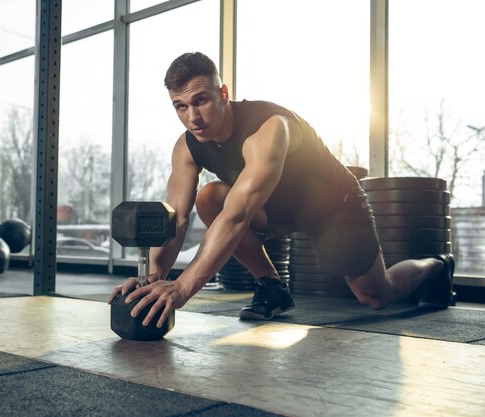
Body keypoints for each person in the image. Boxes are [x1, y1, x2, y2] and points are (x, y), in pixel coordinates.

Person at [108, 52, 454, 328]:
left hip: (334, 207)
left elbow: (238, 215)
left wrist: (183, 288)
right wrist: (151, 280)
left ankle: (437, 266)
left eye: (201, 100)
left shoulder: (268, 127)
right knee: (209, 197)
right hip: (275, 209)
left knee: (375, 295)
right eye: (180, 106)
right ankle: (272, 288)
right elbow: (177, 220)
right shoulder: (187, 147)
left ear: (223, 94)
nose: (192, 116)